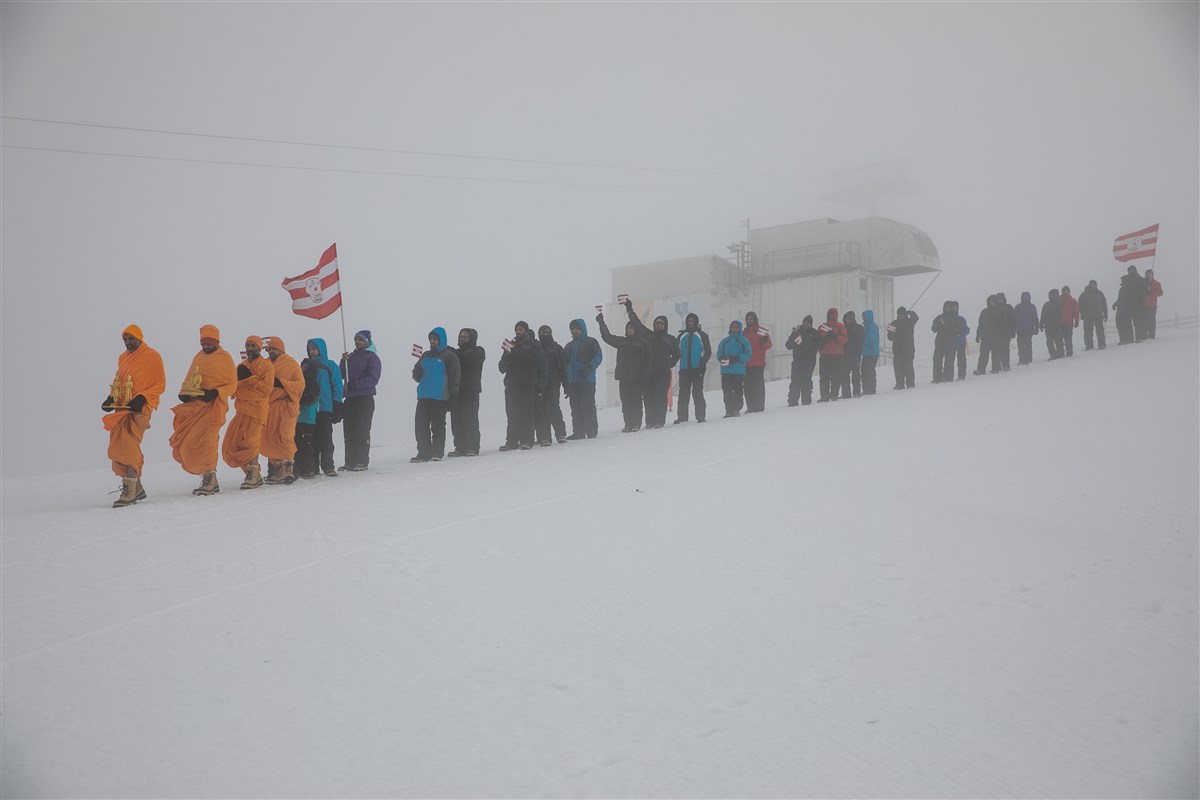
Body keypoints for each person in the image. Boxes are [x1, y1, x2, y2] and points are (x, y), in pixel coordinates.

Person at [102, 324, 166, 507]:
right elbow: (119, 382)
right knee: (117, 447)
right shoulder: (122, 358)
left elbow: (159, 384)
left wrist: (141, 398)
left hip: (139, 409)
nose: (128, 343)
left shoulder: (152, 356)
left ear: (140, 338)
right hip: (121, 410)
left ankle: (129, 491)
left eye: (131, 339)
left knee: (129, 447)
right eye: (125, 340)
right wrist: (111, 398)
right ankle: (136, 488)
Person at [169, 324, 237, 496]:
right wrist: (185, 393)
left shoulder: (225, 358)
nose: (206, 347)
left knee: (208, 441)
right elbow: (190, 380)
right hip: (195, 408)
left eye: (209, 343)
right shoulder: (198, 358)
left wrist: (215, 392)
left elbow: (232, 385)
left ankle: (210, 478)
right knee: (188, 444)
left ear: (216, 342)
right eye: (203, 344)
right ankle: (207, 476)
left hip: (214, 407)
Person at [221, 335, 275, 489]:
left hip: (257, 411)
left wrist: (250, 378)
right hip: (242, 410)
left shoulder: (267, 367)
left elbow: (266, 389)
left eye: (253, 345)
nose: (250, 348)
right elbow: (233, 388)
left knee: (250, 443)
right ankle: (253, 473)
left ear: (259, 348)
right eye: (248, 345)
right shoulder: (240, 367)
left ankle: (253, 473)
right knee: (232, 444)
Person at [624, 300, 680, 427]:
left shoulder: (670, 339)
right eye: (657, 323)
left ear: (665, 325)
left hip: (663, 373)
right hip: (648, 373)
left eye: (661, 323)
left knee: (660, 397)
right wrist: (629, 309)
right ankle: (650, 422)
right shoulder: (648, 335)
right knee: (648, 398)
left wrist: (668, 364)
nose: (659, 325)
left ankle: (659, 421)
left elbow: (677, 354)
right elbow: (637, 324)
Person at [598, 309, 652, 432]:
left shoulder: (642, 343)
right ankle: (628, 424)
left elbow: (648, 360)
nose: (629, 330)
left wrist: (645, 376)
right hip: (624, 378)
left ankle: (636, 424)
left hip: (638, 378)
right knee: (626, 402)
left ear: (636, 330)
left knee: (636, 402)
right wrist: (601, 323)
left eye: (632, 328)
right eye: (628, 328)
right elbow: (608, 337)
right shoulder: (622, 341)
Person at [412, 327, 461, 461]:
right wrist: (417, 373)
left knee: (437, 425)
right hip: (423, 395)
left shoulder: (449, 356)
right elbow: (416, 375)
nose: (432, 341)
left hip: (439, 396)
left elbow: (454, 377)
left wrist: (453, 396)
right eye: (431, 339)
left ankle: (437, 451)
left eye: (435, 339)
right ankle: (423, 452)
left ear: (441, 340)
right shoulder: (425, 355)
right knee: (421, 425)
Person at [262, 336, 303, 485]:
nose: (271, 351)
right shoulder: (265, 365)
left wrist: (282, 384)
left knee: (285, 435)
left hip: (286, 405)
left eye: (274, 349)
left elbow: (300, 385)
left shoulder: (291, 364)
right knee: (270, 437)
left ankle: (289, 468)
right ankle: (277, 468)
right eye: (270, 349)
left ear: (281, 349)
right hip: (270, 406)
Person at [340, 330, 382, 471]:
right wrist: (343, 361)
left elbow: (373, 379)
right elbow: (341, 374)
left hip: (364, 398)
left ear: (367, 341)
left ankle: (362, 461)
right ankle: (349, 461)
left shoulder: (372, 358)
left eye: (360, 339)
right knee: (349, 431)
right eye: (356, 339)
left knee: (362, 430)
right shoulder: (350, 357)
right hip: (350, 398)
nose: (357, 342)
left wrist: (354, 385)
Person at [302, 338, 344, 476]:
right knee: (311, 438)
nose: (312, 351)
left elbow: (337, 385)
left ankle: (328, 466)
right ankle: (312, 467)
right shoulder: (306, 366)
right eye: (310, 349)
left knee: (326, 438)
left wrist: (337, 403)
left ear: (321, 349)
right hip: (310, 408)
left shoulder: (330, 365)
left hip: (325, 407)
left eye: (314, 348)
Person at [497, 321, 541, 450]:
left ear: (526, 330)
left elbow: (533, 361)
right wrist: (503, 364)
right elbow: (503, 362)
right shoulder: (511, 344)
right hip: (511, 383)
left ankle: (526, 440)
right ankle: (511, 441)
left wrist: (515, 351)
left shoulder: (534, 344)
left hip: (527, 384)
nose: (518, 331)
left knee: (526, 412)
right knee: (512, 413)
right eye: (516, 329)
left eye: (521, 329)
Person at [562, 318, 602, 440]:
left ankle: (591, 431)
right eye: (572, 328)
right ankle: (578, 432)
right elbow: (563, 363)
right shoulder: (568, 346)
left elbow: (598, 356)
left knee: (587, 405)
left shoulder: (591, 342)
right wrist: (566, 381)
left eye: (577, 328)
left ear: (582, 328)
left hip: (587, 380)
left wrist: (589, 367)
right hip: (573, 382)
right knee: (575, 407)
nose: (574, 330)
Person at [448, 328, 486, 457]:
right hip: (456, 391)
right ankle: (459, 447)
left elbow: (472, 361)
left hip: (471, 391)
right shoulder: (456, 353)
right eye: (461, 336)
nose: (462, 339)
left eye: (465, 337)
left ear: (472, 338)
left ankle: (473, 447)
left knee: (470, 419)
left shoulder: (478, 351)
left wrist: (453, 352)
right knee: (456, 420)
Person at [534, 325, 569, 445]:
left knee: (553, 407)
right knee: (541, 410)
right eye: (541, 333)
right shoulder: (536, 348)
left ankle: (560, 434)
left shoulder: (558, 349)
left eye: (545, 333)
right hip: (539, 384)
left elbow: (564, 368)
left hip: (554, 382)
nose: (543, 335)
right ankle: (544, 437)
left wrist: (566, 385)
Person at [674, 312, 711, 423]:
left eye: (692, 321)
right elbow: (676, 352)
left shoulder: (702, 335)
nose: (690, 323)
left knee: (697, 392)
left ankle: (700, 417)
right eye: (688, 321)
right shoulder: (681, 336)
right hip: (684, 370)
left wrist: (702, 365)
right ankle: (682, 417)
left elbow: (708, 352)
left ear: (696, 322)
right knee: (683, 394)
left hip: (697, 369)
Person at [717, 320, 752, 417]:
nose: (735, 329)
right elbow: (719, 352)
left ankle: (736, 408)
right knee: (726, 391)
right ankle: (728, 410)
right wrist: (721, 358)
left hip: (738, 371)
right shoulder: (725, 341)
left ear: (739, 329)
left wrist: (737, 358)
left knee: (738, 391)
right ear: (730, 328)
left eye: (736, 328)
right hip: (726, 371)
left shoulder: (744, 341)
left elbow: (748, 355)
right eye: (733, 328)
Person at [785, 315, 820, 406]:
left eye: (808, 322)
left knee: (806, 381)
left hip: (809, 361)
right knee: (795, 381)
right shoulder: (797, 332)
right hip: (797, 360)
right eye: (804, 322)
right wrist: (794, 339)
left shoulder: (815, 333)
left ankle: (806, 401)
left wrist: (808, 347)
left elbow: (820, 345)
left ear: (811, 324)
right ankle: (792, 402)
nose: (805, 324)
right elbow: (788, 345)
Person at [742, 311, 773, 413]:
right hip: (746, 364)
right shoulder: (744, 332)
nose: (749, 320)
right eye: (748, 319)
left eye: (751, 319)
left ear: (755, 319)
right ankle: (750, 407)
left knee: (758, 386)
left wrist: (765, 341)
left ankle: (759, 406)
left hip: (758, 363)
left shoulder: (762, 331)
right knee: (748, 386)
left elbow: (769, 346)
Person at [817, 308, 849, 401]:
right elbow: (817, 340)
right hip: (825, 355)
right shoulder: (822, 326)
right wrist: (823, 341)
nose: (830, 316)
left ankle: (834, 395)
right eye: (829, 314)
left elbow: (845, 340)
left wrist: (835, 337)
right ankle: (824, 396)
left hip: (837, 355)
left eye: (832, 314)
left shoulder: (840, 326)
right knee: (824, 377)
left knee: (835, 377)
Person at [930, 301, 963, 383]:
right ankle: (937, 378)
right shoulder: (939, 317)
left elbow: (960, 330)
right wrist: (940, 325)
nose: (947, 308)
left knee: (949, 361)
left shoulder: (956, 319)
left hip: (951, 343)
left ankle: (948, 378)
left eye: (949, 307)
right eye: (946, 307)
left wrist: (951, 330)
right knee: (937, 360)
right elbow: (933, 329)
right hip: (940, 343)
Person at [887, 307, 918, 388]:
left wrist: (910, 312)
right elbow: (890, 338)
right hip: (898, 350)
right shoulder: (894, 323)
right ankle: (899, 384)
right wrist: (889, 331)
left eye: (903, 314)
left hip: (909, 349)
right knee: (898, 368)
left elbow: (916, 317)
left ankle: (910, 383)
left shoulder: (910, 322)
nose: (901, 316)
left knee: (908, 368)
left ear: (905, 314)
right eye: (899, 314)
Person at [1114, 265, 1145, 344]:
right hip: (1128, 306)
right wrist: (1116, 304)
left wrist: (1142, 302)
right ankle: (1130, 338)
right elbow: (1121, 297)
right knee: (1128, 322)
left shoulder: (1140, 280)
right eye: (1129, 270)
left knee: (1137, 322)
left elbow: (1143, 292)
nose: (1131, 271)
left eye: (1132, 270)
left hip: (1138, 305)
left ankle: (1138, 337)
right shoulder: (1126, 283)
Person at [1078, 280, 1109, 351]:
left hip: (1098, 315)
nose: (1093, 286)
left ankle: (1101, 344)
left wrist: (1106, 313)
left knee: (1100, 331)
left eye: (1094, 284)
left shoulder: (1099, 293)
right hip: (1087, 316)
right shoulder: (1084, 294)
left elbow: (1104, 304)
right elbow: (1080, 305)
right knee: (1088, 332)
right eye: (1092, 284)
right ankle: (1089, 346)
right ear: (1089, 285)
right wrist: (1082, 314)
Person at [839, 310, 864, 397]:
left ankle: (856, 392)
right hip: (844, 355)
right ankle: (846, 393)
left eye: (849, 319)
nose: (848, 321)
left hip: (855, 354)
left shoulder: (858, 328)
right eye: (846, 319)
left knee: (855, 374)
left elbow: (861, 340)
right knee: (844, 374)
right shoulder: (842, 328)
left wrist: (857, 349)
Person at [972, 296, 996, 376]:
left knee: (995, 353)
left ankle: (995, 368)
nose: (991, 303)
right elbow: (980, 324)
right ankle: (981, 369)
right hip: (985, 336)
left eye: (993, 301)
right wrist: (978, 335)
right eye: (990, 301)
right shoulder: (984, 312)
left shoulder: (999, 311)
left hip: (996, 336)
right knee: (983, 354)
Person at [1014, 291, 1040, 365]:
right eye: (1024, 297)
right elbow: (1014, 318)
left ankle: (1028, 359)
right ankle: (1021, 359)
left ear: (1029, 298)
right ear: (1022, 298)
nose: (1026, 299)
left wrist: (1037, 327)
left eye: (1027, 297)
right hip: (1019, 330)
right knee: (1020, 345)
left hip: (1029, 329)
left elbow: (1035, 318)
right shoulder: (1018, 307)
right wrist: (1014, 328)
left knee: (1028, 345)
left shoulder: (1032, 307)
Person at [859, 310, 880, 395]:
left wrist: (861, 340)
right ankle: (866, 389)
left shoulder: (873, 327)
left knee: (870, 371)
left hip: (873, 352)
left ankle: (871, 389)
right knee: (864, 371)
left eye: (865, 317)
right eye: (863, 317)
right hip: (865, 352)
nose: (864, 318)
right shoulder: (864, 327)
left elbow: (870, 339)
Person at [1040, 289, 1064, 360]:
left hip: (1058, 325)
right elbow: (1043, 315)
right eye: (1051, 295)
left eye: (1055, 294)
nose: (1053, 296)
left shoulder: (1061, 303)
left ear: (1057, 295)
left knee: (1058, 340)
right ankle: (1053, 355)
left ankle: (1060, 354)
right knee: (1049, 342)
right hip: (1048, 326)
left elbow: (1064, 314)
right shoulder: (1046, 304)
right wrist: (1041, 324)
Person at [994, 292, 1016, 370]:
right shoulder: (994, 308)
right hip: (996, 333)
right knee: (997, 349)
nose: (1000, 300)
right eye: (998, 299)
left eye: (1001, 298)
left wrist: (1013, 331)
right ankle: (998, 365)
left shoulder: (1009, 307)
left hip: (1007, 332)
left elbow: (1013, 320)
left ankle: (1006, 365)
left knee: (1005, 349)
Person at [1059, 285, 1080, 357]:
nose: (1065, 292)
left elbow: (1076, 311)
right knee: (1060, 339)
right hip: (1060, 323)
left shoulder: (1072, 301)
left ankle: (1069, 352)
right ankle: (1061, 353)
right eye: (1064, 290)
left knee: (1068, 339)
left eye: (1066, 290)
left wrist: (1077, 320)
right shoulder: (1058, 300)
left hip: (1069, 323)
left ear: (1069, 291)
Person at [952, 300, 970, 380]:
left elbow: (967, 329)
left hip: (961, 342)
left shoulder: (961, 319)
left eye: (956, 307)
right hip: (951, 342)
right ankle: (949, 376)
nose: (955, 309)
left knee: (961, 359)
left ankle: (962, 375)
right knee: (950, 360)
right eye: (953, 307)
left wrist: (961, 333)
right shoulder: (948, 318)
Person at [1143, 269, 1163, 340]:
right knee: (1144, 320)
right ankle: (1144, 335)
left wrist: (1152, 292)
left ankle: (1151, 335)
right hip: (1143, 305)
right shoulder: (1143, 282)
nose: (1147, 275)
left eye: (1149, 274)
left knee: (1151, 320)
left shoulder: (1156, 283)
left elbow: (1160, 292)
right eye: (1146, 274)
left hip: (1152, 306)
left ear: (1152, 274)